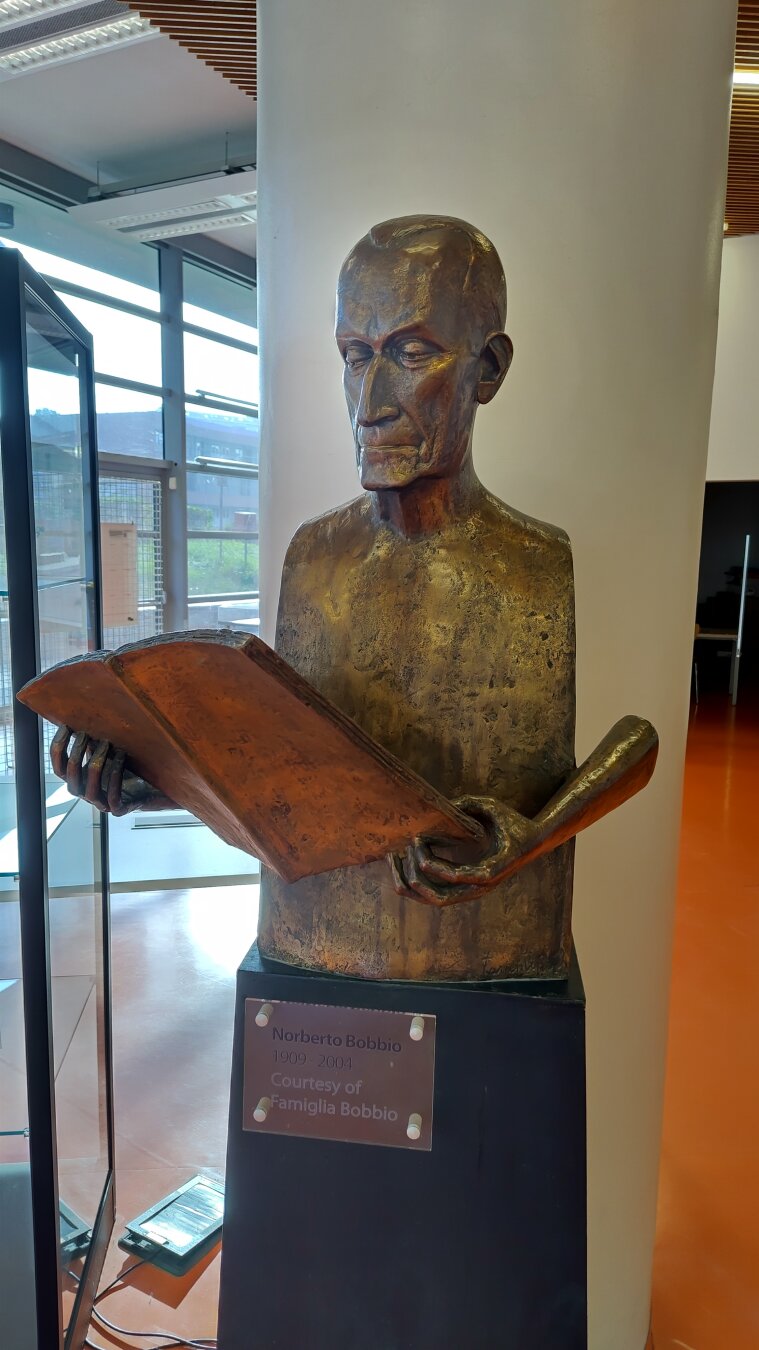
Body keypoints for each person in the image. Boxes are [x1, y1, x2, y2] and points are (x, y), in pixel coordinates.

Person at [51, 216, 657, 981]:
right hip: (311, 948)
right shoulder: (313, 556)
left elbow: (633, 749)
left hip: (486, 956)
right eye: (354, 355)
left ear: (488, 368)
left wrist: (531, 838)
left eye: (410, 353)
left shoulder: (536, 562)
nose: (369, 400)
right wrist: (163, 783)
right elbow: (303, 799)